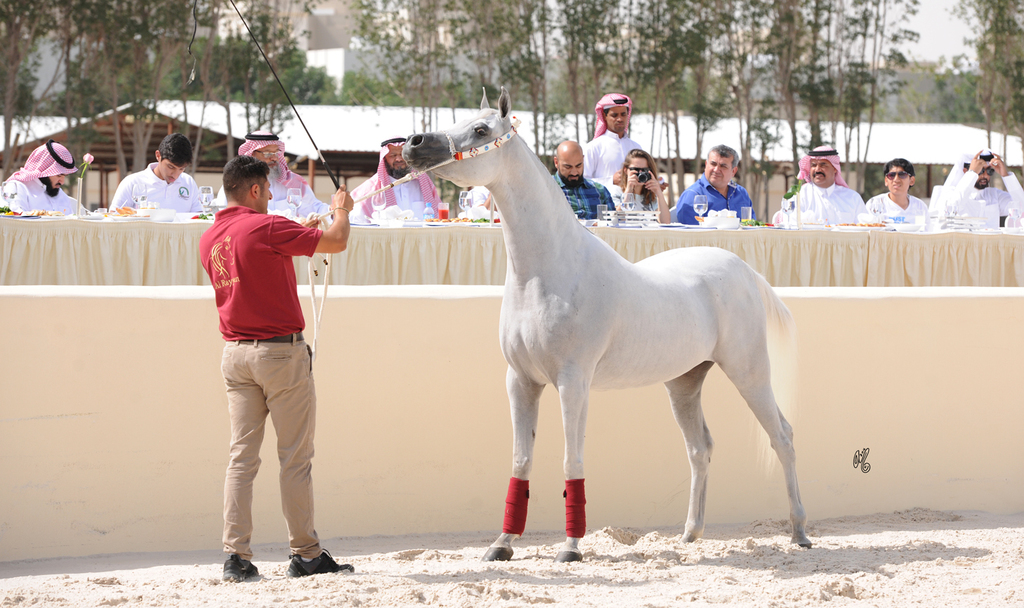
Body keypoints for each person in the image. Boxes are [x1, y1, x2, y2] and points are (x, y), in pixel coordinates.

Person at [200, 155, 355, 582]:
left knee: (241, 459)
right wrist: (341, 208)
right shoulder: (265, 226)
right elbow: (337, 240)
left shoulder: (210, 236)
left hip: (235, 354)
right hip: (279, 356)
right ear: (253, 190)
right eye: (266, 190)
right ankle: (306, 554)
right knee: (295, 459)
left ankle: (236, 556)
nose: (270, 197)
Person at [213, 131, 330, 219]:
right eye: (268, 153)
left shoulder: (293, 182)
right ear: (251, 155)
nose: (274, 157)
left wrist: (335, 209)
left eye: (276, 152)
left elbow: (315, 208)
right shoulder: (236, 184)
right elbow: (225, 214)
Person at [351, 137, 443, 220]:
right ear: (384, 158)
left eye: (402, 154)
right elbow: (356, 219)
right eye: (393, 155)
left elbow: (439, 215)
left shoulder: (424, 182)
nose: (398, 159)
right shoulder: (372, 188)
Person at [774, 146, 867, 225]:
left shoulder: (852, 198)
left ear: (835, 168)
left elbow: (864, 228)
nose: (817, 169)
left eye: (823, 165)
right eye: (813, 165)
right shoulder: (800, 195)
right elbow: (787, 223)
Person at [110, 133, 202, 212]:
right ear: (158, 156)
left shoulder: (188, 182)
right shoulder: (132, 182)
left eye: (181, 169)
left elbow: (198, 218)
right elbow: (114, 217)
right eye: (170, 167)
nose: (175, 175)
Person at [934, 149, 1024, 228]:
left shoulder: (995, 195)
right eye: (980, 170)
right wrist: (972, 174)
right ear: (965, 171)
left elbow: (1021, 206)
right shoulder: (951, 194)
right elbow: (950, 211)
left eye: (989, 170)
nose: (985, 175)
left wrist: (1006, 176)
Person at [674, 145, 754, 225]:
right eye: (713, 164)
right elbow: (691, 235)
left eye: (723, 166)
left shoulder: (741, 193)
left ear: (733, 171)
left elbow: (752, 226)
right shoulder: (692, 195)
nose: (716, 170)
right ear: (706, 165)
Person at [1, 139, 79, 215]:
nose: (62, 182)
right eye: (59, 175)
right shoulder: (16, 188)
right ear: (45, 170)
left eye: (65, 176)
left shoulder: (61, 195)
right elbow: (13, 219)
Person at [583, 93, 642, 188]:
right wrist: (610, 181)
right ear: (604, 115)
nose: (620, 119)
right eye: (614, 115)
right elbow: (582, 182)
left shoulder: (636, 147)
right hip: (605, 202)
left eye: (623, 114)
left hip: (633, 202)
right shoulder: (593, 147)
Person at [552, 140, 613, 220]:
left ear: (583, 160)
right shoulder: (546, 189)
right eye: (568, 167)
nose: (574, 173)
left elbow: (614, 226)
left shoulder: (600, 191)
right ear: (556, 162)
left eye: (578, 166)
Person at [608, 149, 670, 223]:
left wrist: (658, 192)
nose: (640, 173)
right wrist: (628, 191)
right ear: (625, 170)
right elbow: (616, 220)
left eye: (644, 170)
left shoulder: (651, 194)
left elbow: (665, 222)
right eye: (635, 169)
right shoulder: (617, 191)